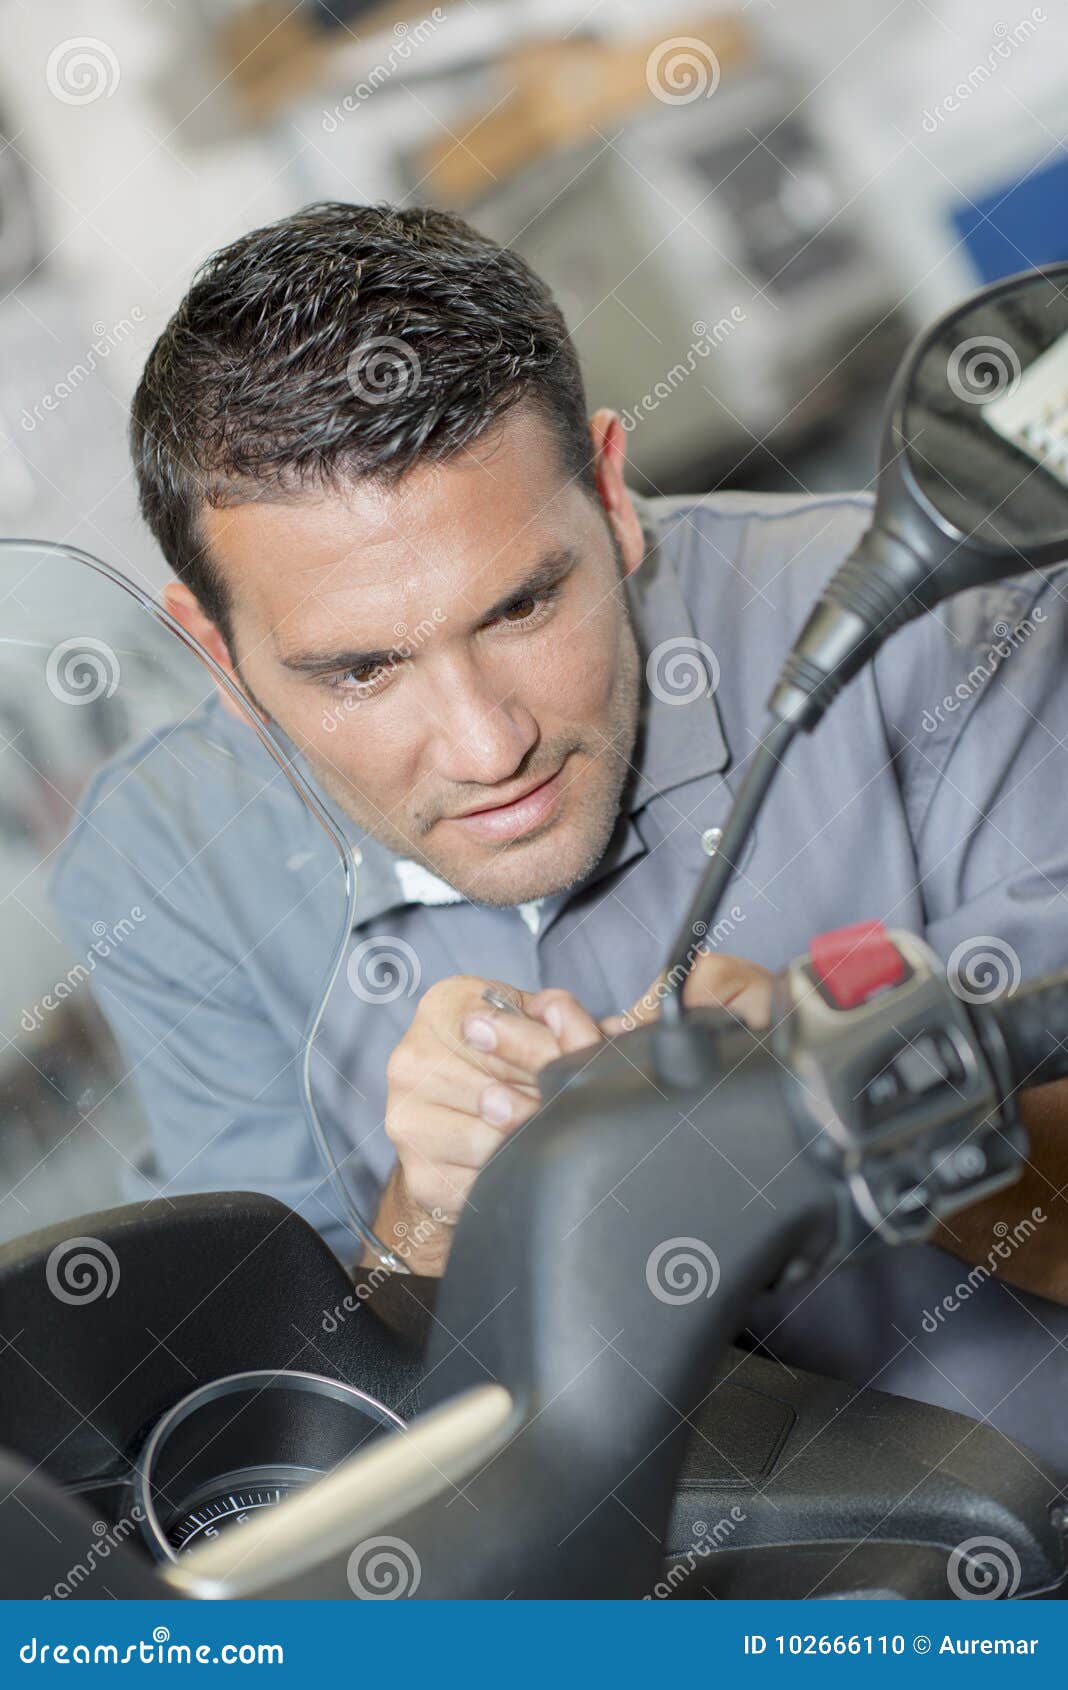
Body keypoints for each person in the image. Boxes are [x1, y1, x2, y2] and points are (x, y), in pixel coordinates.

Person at [51, 201, 1068, 1470]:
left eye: (526, 604)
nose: (487, 747)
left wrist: (840, 1093)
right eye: (361, 671)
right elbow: (264, 1449)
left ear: (610, 494)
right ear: (218, 653)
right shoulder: (168, 860)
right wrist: (424, 1229)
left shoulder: (952, 635)